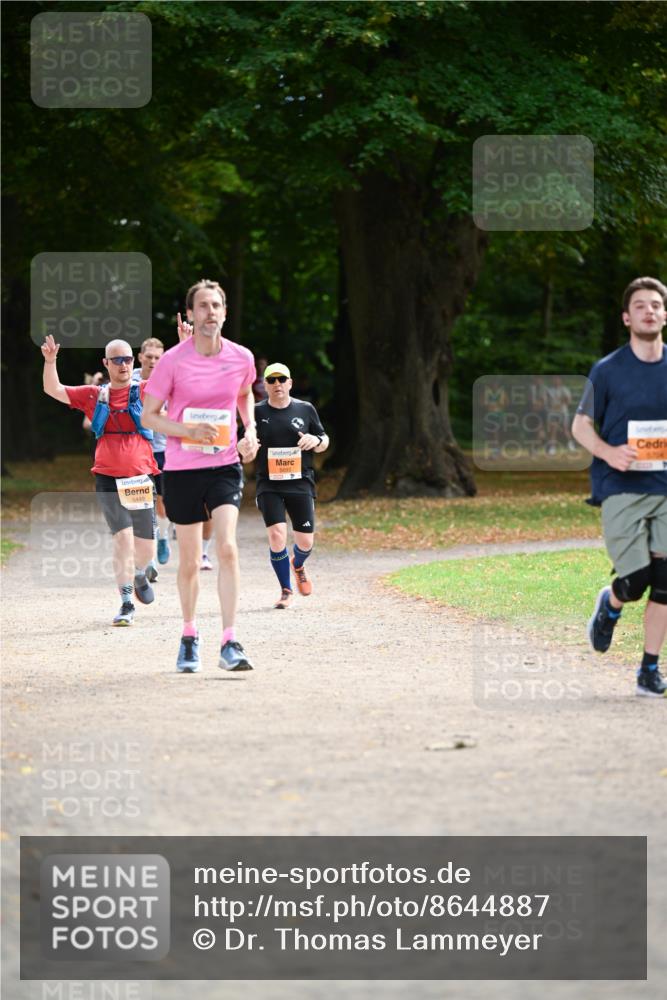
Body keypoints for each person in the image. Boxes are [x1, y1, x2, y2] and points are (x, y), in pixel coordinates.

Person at [141, 279, 258, 674]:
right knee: (189, 561)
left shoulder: (241, 357)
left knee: (227, 548)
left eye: (217, 305)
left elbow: (245, 394)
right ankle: (189, 636)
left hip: (224, 465)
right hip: (182, 469)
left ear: (225, 312)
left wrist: (250, 432)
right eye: (203, 306)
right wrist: (188, 431)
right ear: (191, 314)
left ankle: (230, 640)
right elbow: (150, 416)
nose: (210, 312)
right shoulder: (173, 360)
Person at [572, 276, 667, 698]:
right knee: (636, 581)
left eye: (656, 305)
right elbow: (579, 424)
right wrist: (608, 453)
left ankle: (649, 669)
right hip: (621, 486)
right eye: (641, 306)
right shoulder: (607, 370)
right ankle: (611, 603)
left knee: (665, 581)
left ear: (665, 315)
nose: (650, 311)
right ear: (627, 317)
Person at [41, 334, 158, 627]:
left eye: (128, 359)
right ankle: (127, 602)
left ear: (134, 362)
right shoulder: (94, 394)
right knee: (122, 539)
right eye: (116, 359)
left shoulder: (145, 390)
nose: (123, 364)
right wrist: (51, 361)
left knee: (145, 548)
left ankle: (140, 572)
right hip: (107, 477)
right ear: (105, 363)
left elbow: (181, 383)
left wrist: (185, 345)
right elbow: (53, 389)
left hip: (139, 476)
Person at [253, 363, 329, 609]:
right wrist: (246, 446)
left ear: (290, 383)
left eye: (281, 379)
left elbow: (324, 439)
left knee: (306, 542)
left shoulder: (305, 409)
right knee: (277, 535)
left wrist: (315, 440)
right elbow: (243, 440)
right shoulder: (255, 412)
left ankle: (297, 564)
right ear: (265, 385)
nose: (277, 384)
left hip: (300, 481)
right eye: (271, 380)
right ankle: (285, 590)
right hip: (269, 483)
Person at [132, 338, 170, 574]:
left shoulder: (168, 379)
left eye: (158, 357)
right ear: (140, 357)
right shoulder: (130, 380)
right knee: (142, 504)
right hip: (138, 449)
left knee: (162, 505)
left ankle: (164, 537)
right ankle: (150, 558)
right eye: (149, 357)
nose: (153, 361)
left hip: (163, 449)